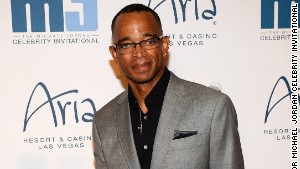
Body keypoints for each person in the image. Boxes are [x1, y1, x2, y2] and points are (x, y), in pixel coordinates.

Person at [93, 3, 244, 169]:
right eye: (126, 45)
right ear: (115, 54)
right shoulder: (103, 122)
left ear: (164, 45)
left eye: (148, 41)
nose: (139, 53)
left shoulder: (213, 107)